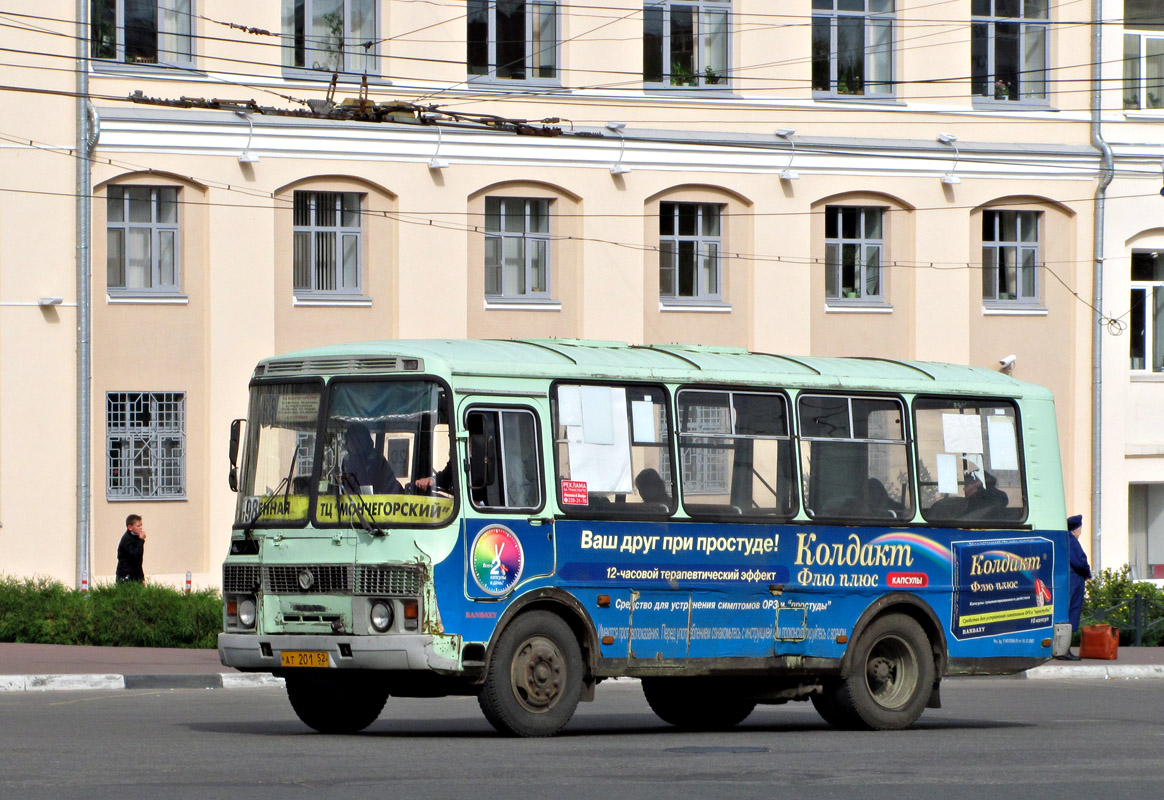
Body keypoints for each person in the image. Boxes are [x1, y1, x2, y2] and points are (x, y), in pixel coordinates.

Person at [1057, 513, 1092, 661]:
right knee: (1071, 613)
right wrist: (1088, 574)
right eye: (1080, 528)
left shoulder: (1064, 539)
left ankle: (1062, 649)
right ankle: (1065, 650)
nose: (1081, 531)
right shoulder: (1071, 541)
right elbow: (1080, 561)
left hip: (1068, 580)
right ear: (1075, 529)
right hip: (1074, 581)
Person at [343, 423, 404, 495]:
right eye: (352, 440)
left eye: (359, 440)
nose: (355, 444)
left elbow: (391, 488)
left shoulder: (378, 462)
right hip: (348, 504)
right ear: (347, 444)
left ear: (368, 442)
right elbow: (341, 487)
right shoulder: (345, 462)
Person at [115, 514, 146, 584]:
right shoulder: (127, 539)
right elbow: (135, 555)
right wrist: (141, 540)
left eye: (141, 525)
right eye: (138, 526)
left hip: (136, 573)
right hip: (126, 575)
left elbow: (138, 560)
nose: (141, 528)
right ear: (130, 527)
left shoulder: (136, 537)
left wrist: (141, 577)